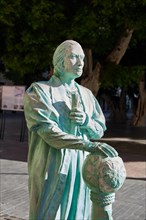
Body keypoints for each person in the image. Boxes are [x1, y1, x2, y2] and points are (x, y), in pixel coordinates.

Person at [24, 40, 117, 220]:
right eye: (74, 57)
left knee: (78, 212)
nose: (81, 62)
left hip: (80, 166)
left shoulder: (87, 95)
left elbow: (99, 129)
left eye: (82, 58)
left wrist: (86, 122)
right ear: (59, 60)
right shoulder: (39, 91)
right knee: (48, 211)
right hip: (51, 163)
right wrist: (89, 146)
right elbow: (49, 132)